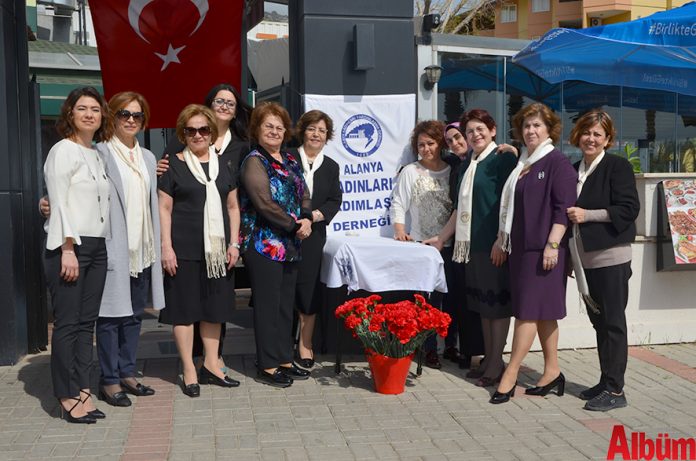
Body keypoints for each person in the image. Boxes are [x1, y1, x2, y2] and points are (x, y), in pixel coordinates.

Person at [159, 83, 251, 375]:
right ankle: (189, 368)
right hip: (183, 248)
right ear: (182, 134)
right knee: (185, 310)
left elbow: (233, 206)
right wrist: (166, 247)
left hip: (218, 249)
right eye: (191, 131)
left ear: (210, 132)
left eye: (203, 131)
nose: (197, 135)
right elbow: (164, 208)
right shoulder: (173, 162)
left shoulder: (225, 164)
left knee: (215, 308)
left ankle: (212, 363)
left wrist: (234, 243)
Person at [491, 103, 577, 404]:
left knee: (527, 313)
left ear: (548, 129)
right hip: (522, 250)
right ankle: (552, 371)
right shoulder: (524, 163)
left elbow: (562, 209)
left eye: (537, 125)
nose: (531, 130)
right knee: (543, 315)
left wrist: (553, 245)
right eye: (526, 126)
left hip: (544, 251)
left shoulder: (557, 163)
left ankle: (510, 374)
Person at [426, 110, 518, 386]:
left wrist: (502, 239)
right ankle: (490, 360)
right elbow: (460, 208)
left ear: (492, 130)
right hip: (470, 246)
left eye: (480, 129)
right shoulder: (469, 164)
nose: (474, 135)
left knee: (496, 308)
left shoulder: (503, 158)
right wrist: (442, 238)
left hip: (494, 245)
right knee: (482, 306)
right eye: (470, 131)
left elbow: (511, 202)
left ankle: (495, 364)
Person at [43, 86, 112, 423]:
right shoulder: (62, 151)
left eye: (95, 109)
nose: (89, 114)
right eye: (82, 108)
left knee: (87, 325)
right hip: (69, 247)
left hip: (97, 246)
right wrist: (67, 247)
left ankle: (83, 388)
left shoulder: (97, 153)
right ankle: (66, 395)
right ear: (70, 113)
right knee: (68, 325)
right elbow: (57, 202)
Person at [567, 110, 640, 411]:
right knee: (600, 324)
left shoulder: (617, 166)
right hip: (585, 261)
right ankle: (605, 380)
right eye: (587, 132)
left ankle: (615, 390)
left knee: (613, 323)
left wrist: (587, 216)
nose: (591, 138)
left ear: (608, 139)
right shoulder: (574, 169)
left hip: (611, 257)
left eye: (598, 134)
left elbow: (628, 208)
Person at [239, 102, 313, 387]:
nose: (274, 131)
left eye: (279, 127)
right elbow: (264, 203)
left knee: (285, 306)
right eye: (268, 126)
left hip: (292, 244)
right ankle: (267, 364)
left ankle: (283, 358)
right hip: (264, 245)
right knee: (268, 307)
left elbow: (304, 192)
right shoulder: (254, 160)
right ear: (257, 129)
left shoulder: (291, 159)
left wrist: (306, 218)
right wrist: (295, 225)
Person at [390, 120, 454, 369]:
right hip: (420, 245)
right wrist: (399, 229)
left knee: (449, 299)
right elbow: (398, 202)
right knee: (426, 301)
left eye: (431, 143)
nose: (426, 148)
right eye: (421, 145)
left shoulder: (452, 171)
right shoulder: (410, 171)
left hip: (449, 245)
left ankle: (450, 345)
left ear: (440, 144)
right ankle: (428, 349)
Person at [293, 110, 342, 368]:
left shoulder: (331, 166)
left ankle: (305, 344)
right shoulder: (288, 158)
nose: (316, 134)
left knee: (308, 289)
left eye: (322, 131)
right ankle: (280, 345)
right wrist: (297, 219)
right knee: (284, 289)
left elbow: (335, 200)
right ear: (303, 131)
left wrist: (312, 218)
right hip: (285, 232)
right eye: (312, 128)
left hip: (314, 235)